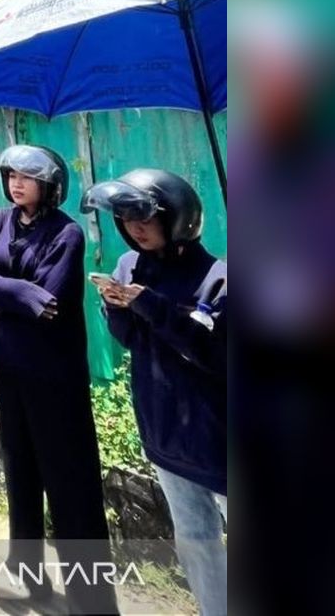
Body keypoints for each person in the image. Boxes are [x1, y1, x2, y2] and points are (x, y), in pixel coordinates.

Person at [0, 145, 118, 614]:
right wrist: (20, 294)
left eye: (28, 177)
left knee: (71, 484)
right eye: (11, 175)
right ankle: (26, 578)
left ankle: (92, 602)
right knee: (21, 475)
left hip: (55, 377)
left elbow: (51, 304)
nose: (17, 183)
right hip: (8, 367)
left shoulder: (66, 234)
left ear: (50, 184)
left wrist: (5, 297)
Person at [81, 169, 227, 616]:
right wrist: (116, 307)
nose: (134, 228)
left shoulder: (219, 277)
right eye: (124, 218)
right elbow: (133, 343)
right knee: (197, 542)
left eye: (144, 217)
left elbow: (214, 356)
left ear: (178, 217)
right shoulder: (129, 268)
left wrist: (150, 304)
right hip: (165, 436)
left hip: (221, 440)